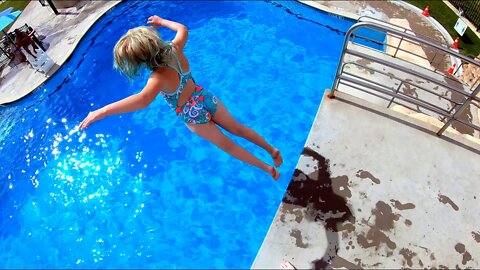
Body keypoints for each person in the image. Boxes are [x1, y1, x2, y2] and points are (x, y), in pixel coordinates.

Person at [79, 15, 283, 180]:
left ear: (139, 60)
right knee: (238, 128)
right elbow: (183, 29)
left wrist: (102, 111)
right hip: (203, 97)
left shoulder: (156, 78)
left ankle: (266, 168)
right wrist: (161, 22)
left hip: (191, 113)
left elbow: (142, 100)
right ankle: (270, 149)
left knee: (229, 145)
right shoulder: (175, 49)